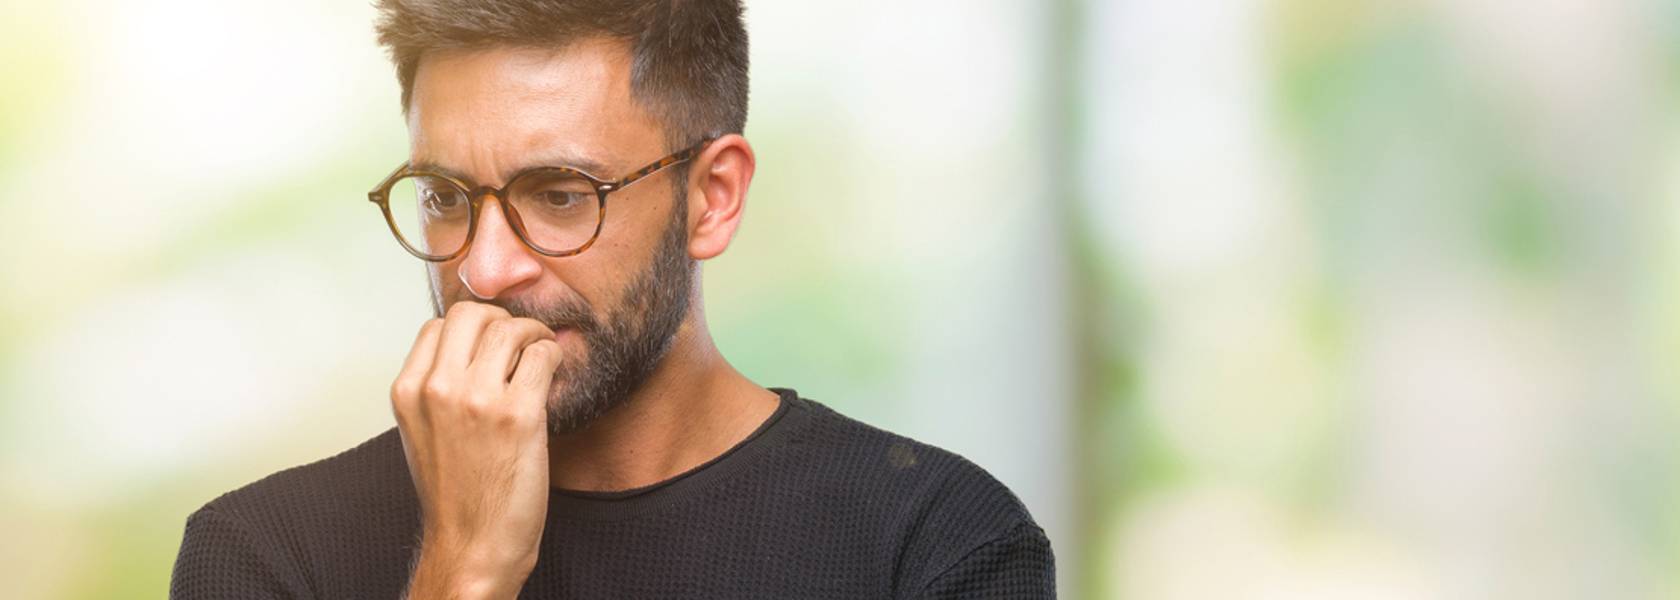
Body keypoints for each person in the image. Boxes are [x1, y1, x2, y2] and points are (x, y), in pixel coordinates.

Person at [168, 1, 1055, 598]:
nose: (484, 270)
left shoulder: (937, 545)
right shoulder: (260, 555)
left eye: (559, 194)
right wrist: (467, 569)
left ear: (713, 198)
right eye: (443, 196)